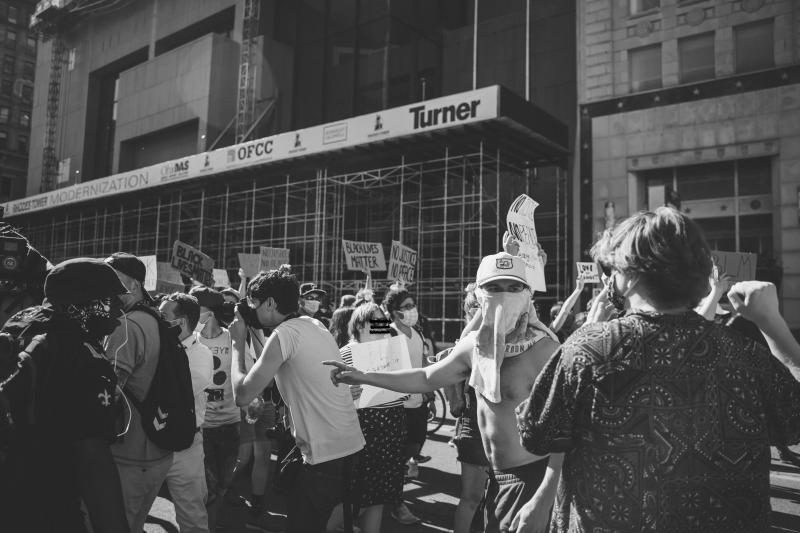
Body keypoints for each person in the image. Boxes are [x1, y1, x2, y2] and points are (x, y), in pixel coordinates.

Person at [516, 207, 800, 532]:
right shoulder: (744, 354)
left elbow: (536, 435)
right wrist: (771, 322)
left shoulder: (587, 350)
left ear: (630, 275)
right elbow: (794, 420)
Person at [327, 252, 563, 533]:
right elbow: (426, 377)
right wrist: (364, 376)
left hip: (532, 477)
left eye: (514, 287)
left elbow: (565, 432)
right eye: (494, 287)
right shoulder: (475, 346)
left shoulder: (544, 348)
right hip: (498, 479)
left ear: (527, 294)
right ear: (480, 294)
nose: (504, 295)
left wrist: (544, 498)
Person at [230, 265, 365, 533]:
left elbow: (243, 393)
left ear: (270, 302)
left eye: (254, 303)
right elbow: (270, 371)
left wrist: (237, 343)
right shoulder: (314, 325)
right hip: (351, 449)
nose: (253, 309)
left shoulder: (285, 334)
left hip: (324, 458)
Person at [0, 258, 130, 533]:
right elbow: (94, 465)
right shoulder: (82, 358)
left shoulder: (22, 322)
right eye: (110, 300)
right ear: (83, 303)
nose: (119, 310)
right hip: (46, 507)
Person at [104, 252, 173, 533]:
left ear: (132, 284)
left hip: (130, 454)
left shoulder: (127, 324)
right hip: (158, 448)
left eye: (112, 280)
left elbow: (108, 391)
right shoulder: (157, 318)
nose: (105, 287)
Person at [336, 302, 409, 533]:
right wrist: (346, 393)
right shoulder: (347, 351)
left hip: (392, 424)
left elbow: (404, 385)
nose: (382, 324)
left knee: (379, 493)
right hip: (364, 426)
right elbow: (333, 389)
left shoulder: (393, 350)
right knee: (355, 492)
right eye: (376, 319)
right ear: (360, 324)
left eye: (383, 320)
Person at [158, 292, 214, 533]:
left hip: (185, 447)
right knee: (133, 508)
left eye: (162, 316)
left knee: (192, 516)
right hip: (149, 442)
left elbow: (174, 392)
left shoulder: (200, 354)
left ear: (180, 322)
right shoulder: (156, 345)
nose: (157, 320)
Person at [189, 285, 240, 531]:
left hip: (231, 422)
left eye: (195, 310)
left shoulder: (233, 338)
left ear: (209, 313)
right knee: (207, 486)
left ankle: (213, 522)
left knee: (223, 483)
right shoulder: (189, 339)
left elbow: (245, 371)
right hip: (202, 425)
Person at [443, 282, 490, 533]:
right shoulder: (468, 341)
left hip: (499, 430)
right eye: (479, 306)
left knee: (492, 499)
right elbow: (464, 339)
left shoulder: (500, 335)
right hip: (474, 431)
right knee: (471, 498)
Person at [382, 287, 432, 524]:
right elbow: (370, 352)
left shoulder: (418, 332)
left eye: (413, 305)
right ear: (394, 311)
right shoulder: (384, 328)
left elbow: (422, 362)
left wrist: (428, 392)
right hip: (395, 404)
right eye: (406, 306)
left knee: (413, 447)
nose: (412, 310)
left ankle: (388, 492)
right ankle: (395, 502)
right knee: (393, 456)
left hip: (418, 402)